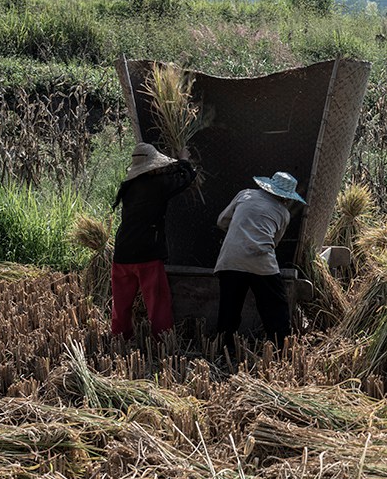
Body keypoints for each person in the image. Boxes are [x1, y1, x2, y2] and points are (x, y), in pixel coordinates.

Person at [111, 142, 196, 340]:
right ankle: (162, 340)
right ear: (153, 167)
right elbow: (186, 178)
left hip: (122, 253)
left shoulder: (130, 187)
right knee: (157, 302)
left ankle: (120, 338)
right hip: (146, 254)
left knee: (121, 303)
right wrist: (183, 160)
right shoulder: (157, 186)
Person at [214, 171, 306, 352]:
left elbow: (221, 221)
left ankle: (223, 349)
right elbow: (275, 242)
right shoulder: (283, 212)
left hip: (230, 259)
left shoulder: (245, 194)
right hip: (261, 262)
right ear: (285, 198)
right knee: (275, 306)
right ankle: (281, 348)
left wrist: (237, 233)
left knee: (229, 307)